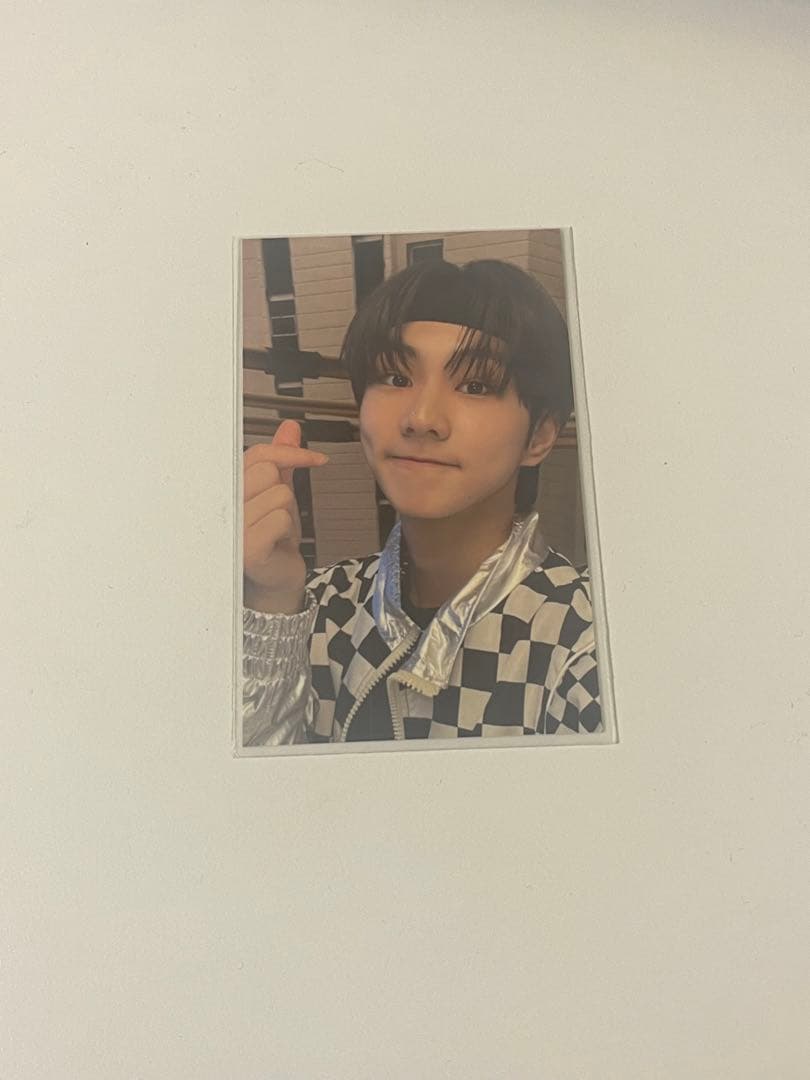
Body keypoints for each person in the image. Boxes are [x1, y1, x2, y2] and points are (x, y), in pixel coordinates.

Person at [242, 258, 601, 744]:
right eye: (395, 378)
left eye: (475, 385)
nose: (421, 418)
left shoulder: (585, 638)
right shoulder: (318, 603)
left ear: (539, 436)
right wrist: (272, 602)